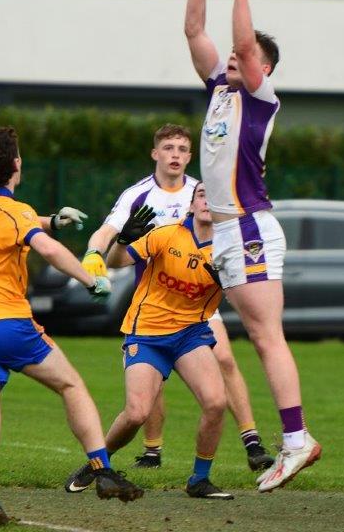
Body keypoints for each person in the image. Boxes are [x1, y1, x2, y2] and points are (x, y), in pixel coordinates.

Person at [0, 126, 141, 528]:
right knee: (71, 385)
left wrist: (51, 219)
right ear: (15, 165)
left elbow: (10, 223)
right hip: (7, 324)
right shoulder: (16, 214)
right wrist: (92, 281)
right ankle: (102, 470)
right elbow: (44, 248)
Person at [183, 0, 320, 492]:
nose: (239, 60)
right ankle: (286, 440)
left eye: (250, 58)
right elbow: (194, 30)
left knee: (266, 337)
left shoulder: (260, 98)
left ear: (265, 69)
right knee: (251, 335)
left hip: (250, 227)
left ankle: (295, 441)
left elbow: (240, 46)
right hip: (228, 231)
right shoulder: (219, 86)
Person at [79, 123, 275, 473]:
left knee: (226, 359)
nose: (176, 155)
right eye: (169, 148)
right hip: (156, 296)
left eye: (183, 149)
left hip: (198, 296)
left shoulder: (203, 192)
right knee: (151, 381)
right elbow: (109, 232)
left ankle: (251, 440)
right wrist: (95, 253)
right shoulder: (139, 194)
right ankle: (152, 449)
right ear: (155, 153)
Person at [64, 183, 235, 500]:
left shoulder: (229, 250)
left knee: (216, 403)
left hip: (190, 334)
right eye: (201, 195)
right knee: (137, 413)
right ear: (191, 205)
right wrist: (124, 240)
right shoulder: (167, 234)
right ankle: (97, 462)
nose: (209, 200)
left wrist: (229, 280)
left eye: (216, 196)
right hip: (148, 332)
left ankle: (199, 480)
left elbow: (245, 296)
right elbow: (116, 262)